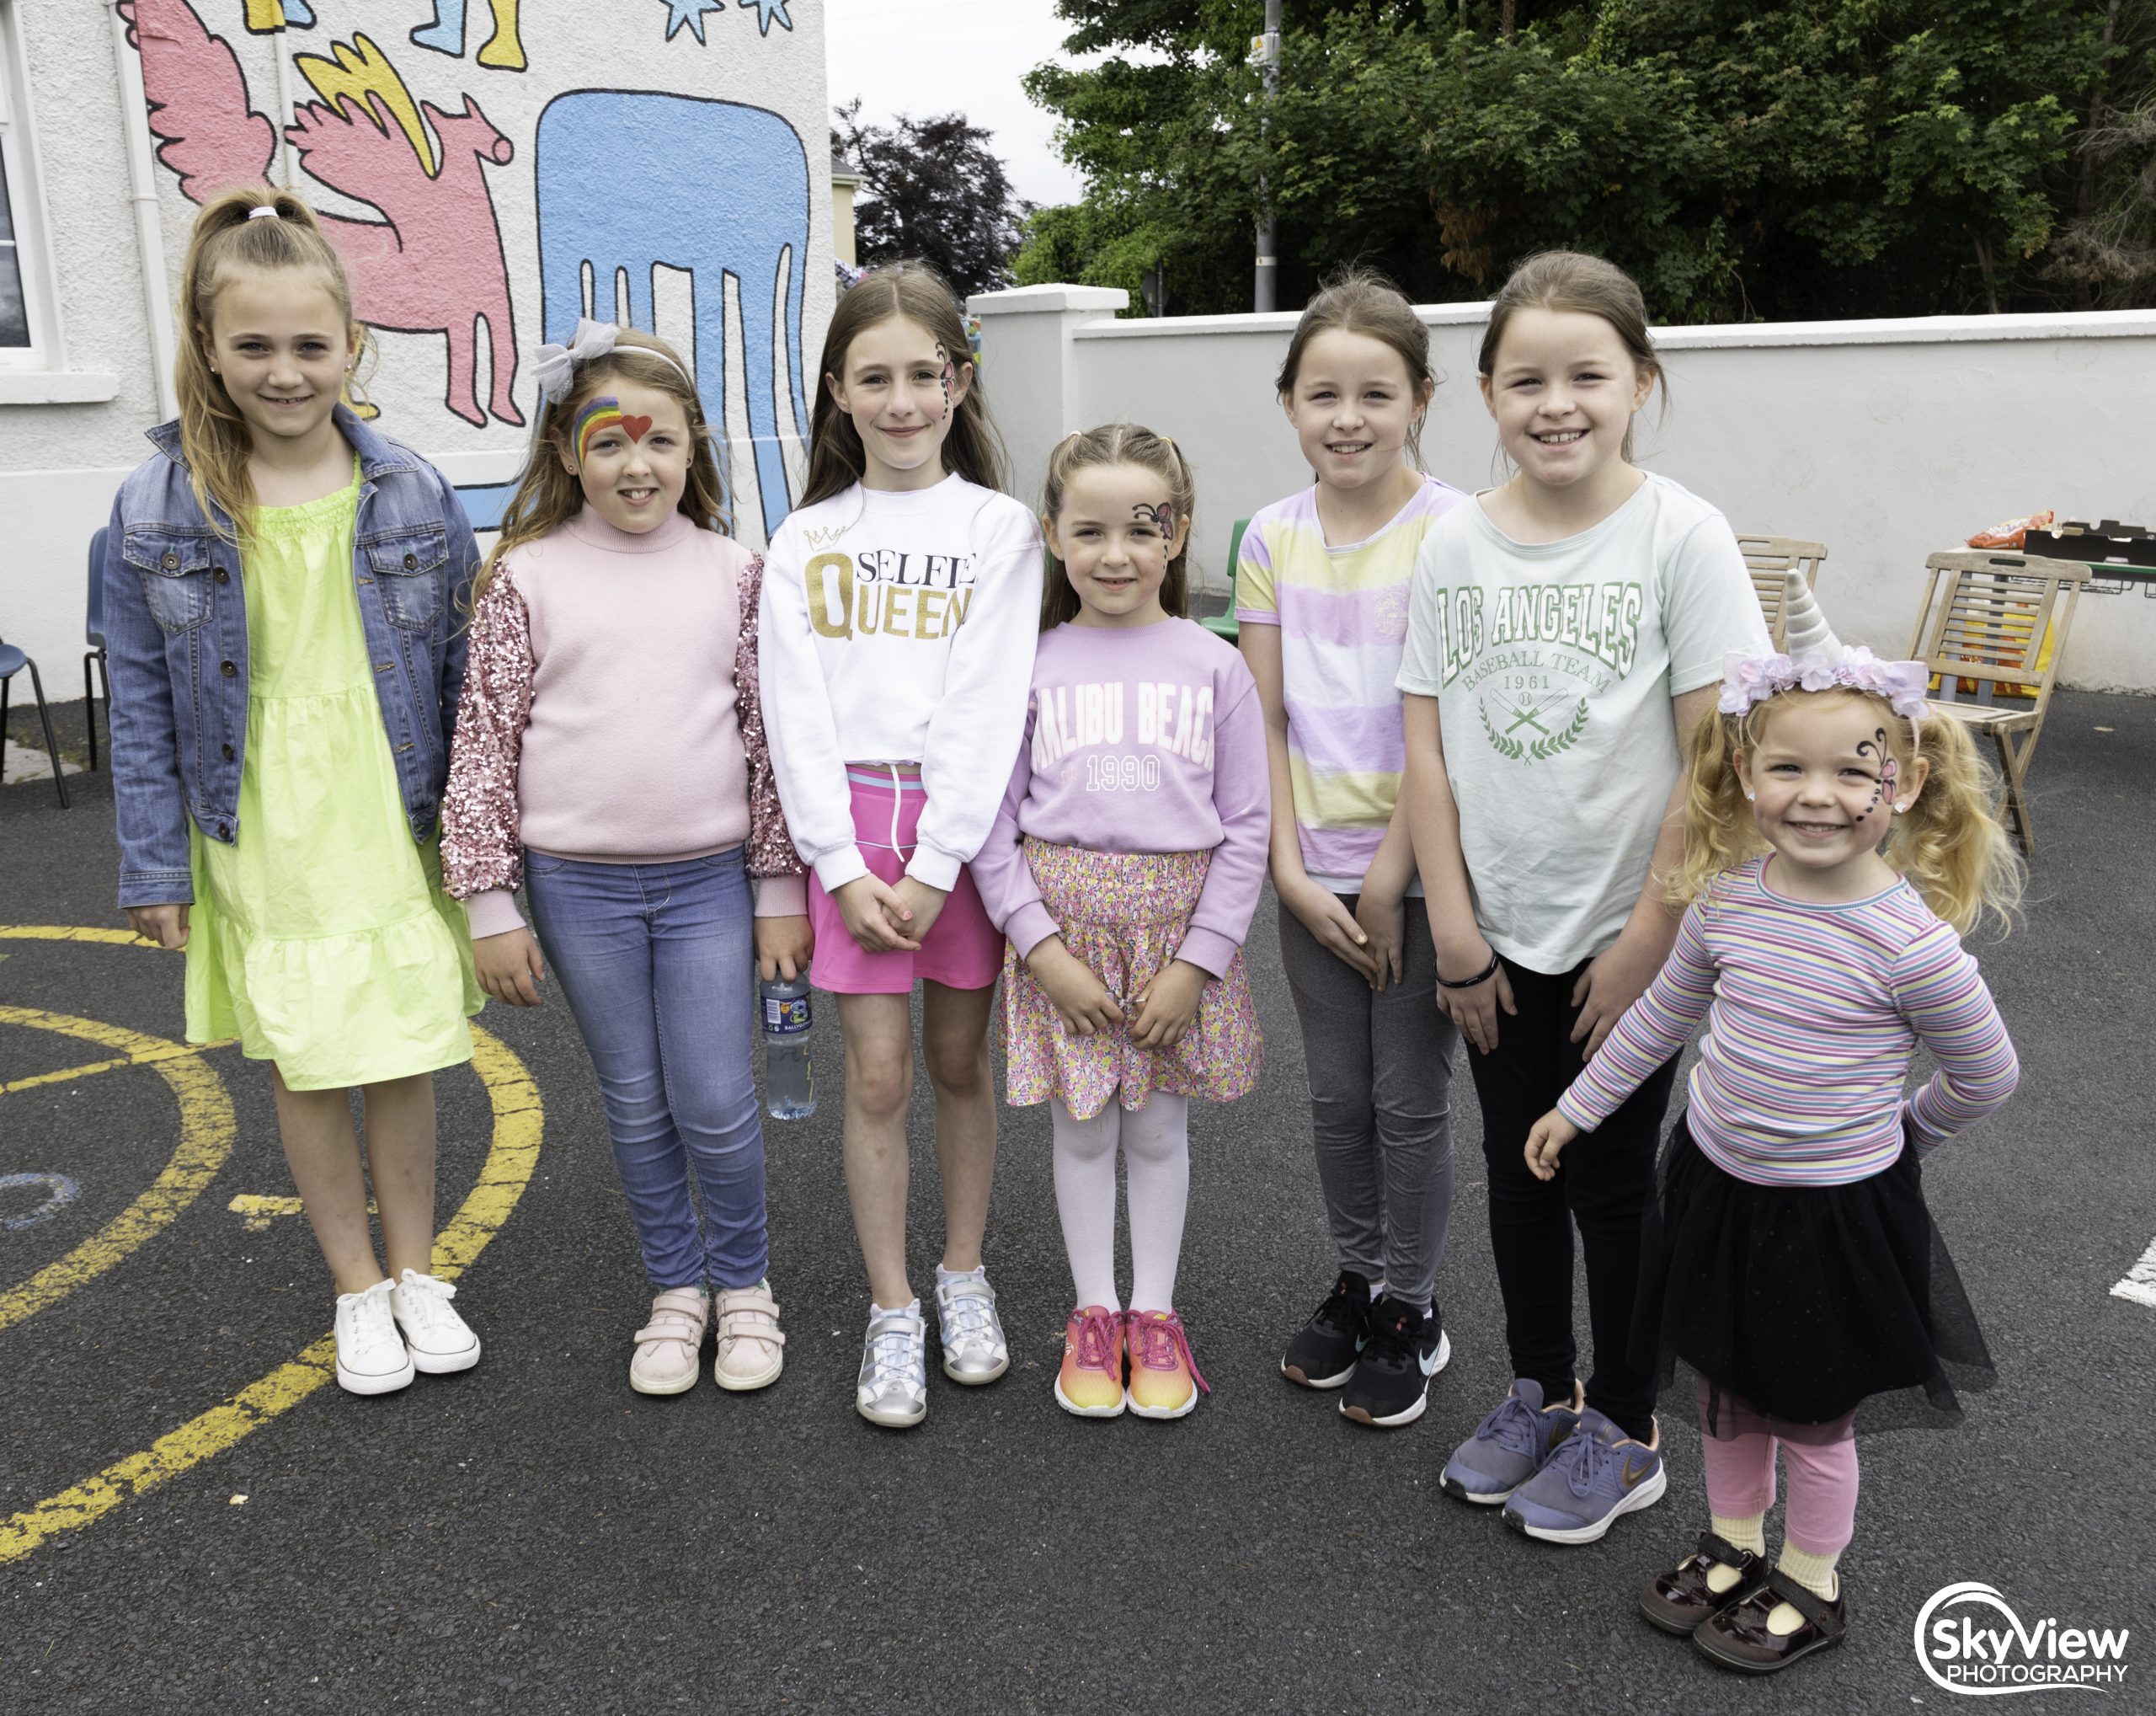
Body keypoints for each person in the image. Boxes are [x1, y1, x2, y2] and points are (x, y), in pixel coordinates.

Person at [1524, 647, 2020, 1672]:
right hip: (1714, 1190)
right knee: (1724, 1386)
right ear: (1746, 773)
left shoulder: (1910, 945)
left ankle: (1810, 1578)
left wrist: (1899, 1142)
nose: (1817, 795)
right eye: (1788, 767)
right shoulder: (1727, 900)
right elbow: (1659, 1017)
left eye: (1853, 770)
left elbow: (1985, 1075)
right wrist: (1576, 1108)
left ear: (1905, 783)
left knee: (1811, 1413)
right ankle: (1733, 1545)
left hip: (1832, 1216)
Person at [1396, 250, 1772, 1536]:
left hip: (1628, 938)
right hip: (1495, 935)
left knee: (1612, 1183)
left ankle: (1626, 1423)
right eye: (1526, 380)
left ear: (1640, 383)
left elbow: (1716, 763)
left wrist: (1651, 941)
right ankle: (1540, 1391)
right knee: (1518, 1169)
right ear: (1487, 396)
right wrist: (1455, 932)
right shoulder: (1455, 542)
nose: (1556, 404)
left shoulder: (1682, 535)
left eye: (1588, 376)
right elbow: (1426, 750)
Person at [104, 186, 484, 1396]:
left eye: (311, 345)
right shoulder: (156, 504)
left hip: (387, 796)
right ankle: (355, 1286)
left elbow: (466, 677)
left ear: (352, 346)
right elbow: (142, 703)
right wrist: (154, 862)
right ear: (208, 347)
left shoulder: (414, 491)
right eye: (255, 345)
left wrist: (481, 839)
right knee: (310, 1057)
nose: (284, 372)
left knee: (403, 1045)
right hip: (261, 813)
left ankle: (417, 1272)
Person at [440, 320, 809, 1397]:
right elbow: (484, 741)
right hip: (576, 889)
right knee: (636, 1101)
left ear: (693, 447)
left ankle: (744, 1284)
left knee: (716, 1099)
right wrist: (490, 904)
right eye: (608, 442)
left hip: (711, 883)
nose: (634, 465)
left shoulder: (740, 573)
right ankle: (675, 1287)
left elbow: (770, 739)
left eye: (658, 441)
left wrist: (779, 888)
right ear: (568, 452)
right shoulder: (524, 578)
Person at [757, 262, 1043, 1429]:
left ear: (958, 381)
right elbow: (793, 711)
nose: (902, 401)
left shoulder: (998, 528)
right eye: (872, 379)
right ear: (836, 390)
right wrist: (837, 864)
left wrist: (935, 864)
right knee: (876, 1078)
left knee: (959, 1065)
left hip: (958, 837)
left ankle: (962, 1274)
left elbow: (988, 699)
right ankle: (891, 1306)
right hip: (849, 835)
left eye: (924, 375)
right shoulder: (804, 537)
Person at [974, 424, 1268, 1420]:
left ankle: (1155, 1313)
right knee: (1083, 1129)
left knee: (1158, 1130)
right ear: (1053, 535)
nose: (1115, 554)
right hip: (1067, 951)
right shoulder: (1029, 665)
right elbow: (991, 825)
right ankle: (1093, 1315)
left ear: (1176, 534)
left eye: (1141, 530)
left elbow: (1247, 827)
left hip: (1173, 953)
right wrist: (1040, 950)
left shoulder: (1214, 667)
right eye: (1089, 531)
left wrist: (1199, 963)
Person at [1240, 268, 1469, 1429]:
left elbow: (1451, 726)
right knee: (1337, 1099)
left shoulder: (1459, 531)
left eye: (1375, 394)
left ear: (1420, 399)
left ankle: (1411, 1306)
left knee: (1407, 1100)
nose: (1348, 418)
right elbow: (1266, 720)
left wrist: (1389, 878)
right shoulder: (1269, 536)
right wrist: (1287, 870)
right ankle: (1359, 1275)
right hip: (1309, 874)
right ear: (1288, 402)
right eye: (1322, 394)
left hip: (1423, 875)